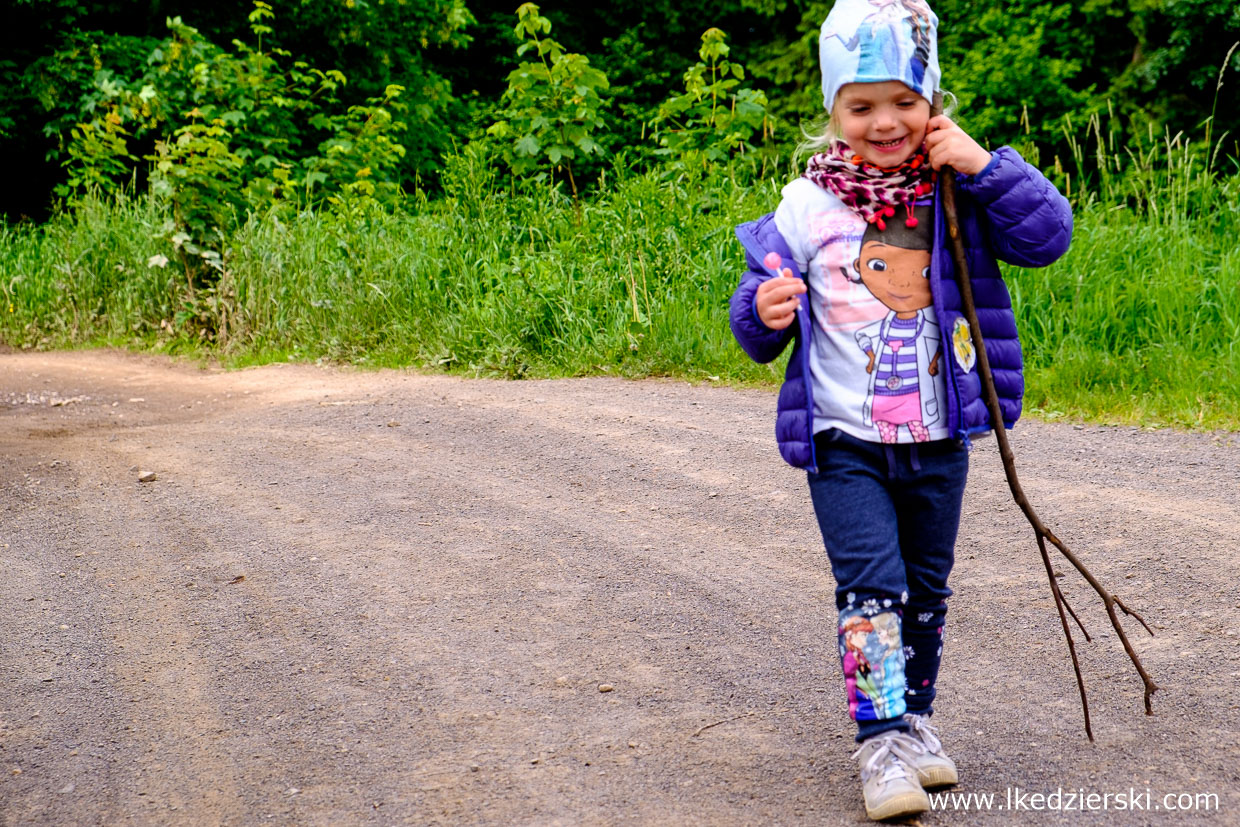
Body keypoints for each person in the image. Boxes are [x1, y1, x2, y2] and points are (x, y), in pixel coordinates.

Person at [728, 0, 1073, 820]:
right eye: (861, 104)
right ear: (833, 111)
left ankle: (915, 720)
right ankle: (878, 739)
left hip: (938, 435)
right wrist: (763, 309)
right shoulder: (811, 203)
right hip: (843, 437)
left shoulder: (960, 186)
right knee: (871, 586)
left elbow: (1048, 236)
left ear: (932, 101)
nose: (884, 122)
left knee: (926, 587)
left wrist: (988, 166)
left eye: (903, 102)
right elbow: (753, 301)